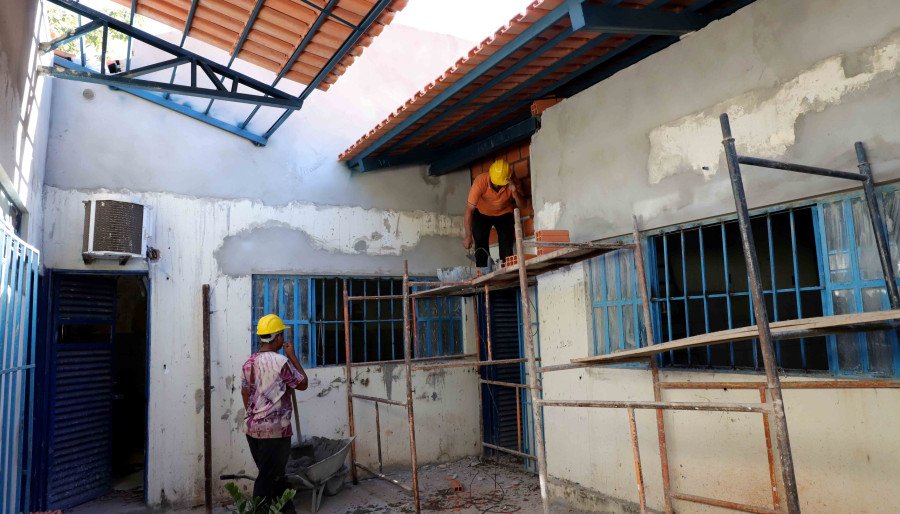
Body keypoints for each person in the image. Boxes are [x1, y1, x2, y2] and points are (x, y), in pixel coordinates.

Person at [241, 314, 308, 513]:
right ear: (277, 337)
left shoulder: (249, 363)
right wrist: (292, 356)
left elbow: (245, 393)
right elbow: (303, 383)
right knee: (267, 479)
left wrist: (256, 415)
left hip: (252, 430)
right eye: (282, 336)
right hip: (275, 433)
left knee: (274, 476)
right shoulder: (281, 363)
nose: (283, 339)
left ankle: (287, 511)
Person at [463, 158, 527, 268]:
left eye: (500, 184)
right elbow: (469, 210)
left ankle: (507, 275)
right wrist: (468, 235)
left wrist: (514, 191)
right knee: (480, 245)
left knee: (506, 245)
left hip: (504, 213)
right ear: (491, 176)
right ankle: (483, 276)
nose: (497, 186)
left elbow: (523, 206)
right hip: (482, 213)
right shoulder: (480, 181)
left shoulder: (513, 181)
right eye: (495, 183)